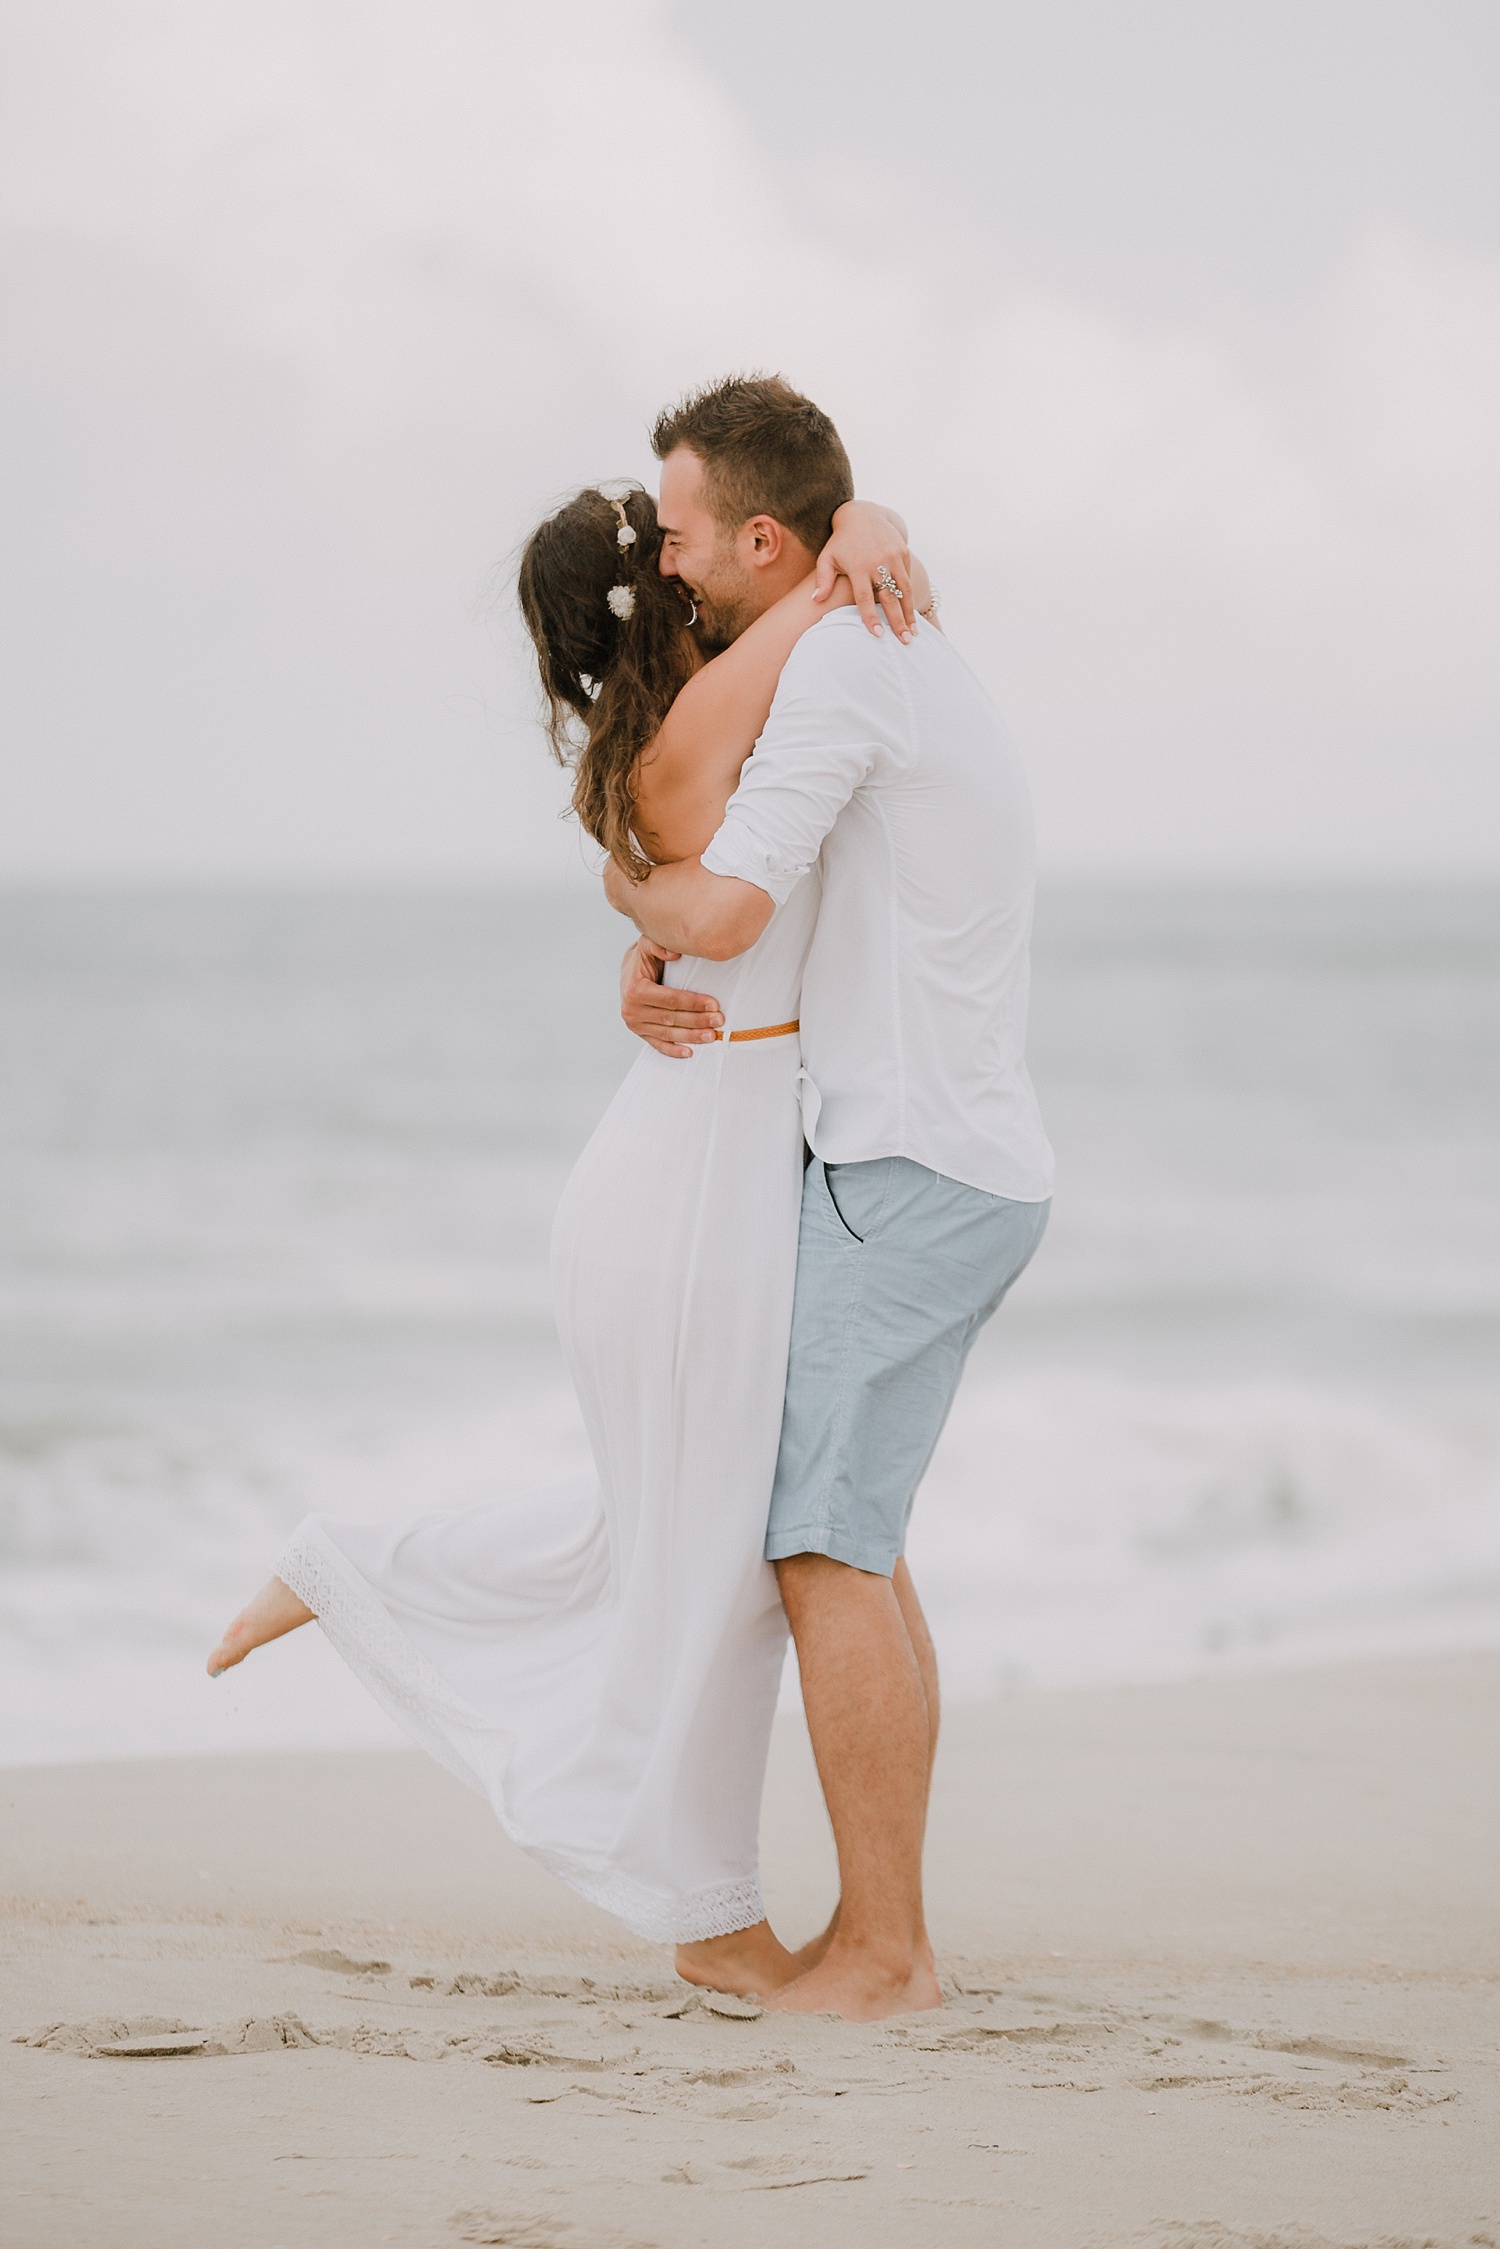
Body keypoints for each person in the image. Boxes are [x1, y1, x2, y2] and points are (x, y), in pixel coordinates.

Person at [204, 387, 920, 1999]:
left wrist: (864, 526)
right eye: (669, 558)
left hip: (688, 1160)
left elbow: (689, 856)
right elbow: (799, 620)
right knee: (705, 1546)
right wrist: (860, 537)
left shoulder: (668, 738)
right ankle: (712, 1916)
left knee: (666, 1532)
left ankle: (355, 1568)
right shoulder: (702, 723)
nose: (696, 570)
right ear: (662, 599)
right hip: (690, 1186)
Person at [608, 377, 1054, 2021]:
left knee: (819, 1548)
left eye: (679, 539)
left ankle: (886, 1952)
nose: (665, 569)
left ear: (768, 539)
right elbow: (734, 909)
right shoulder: (871, 625)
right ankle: (884, 1935)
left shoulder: (849, 661)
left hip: (913, 1164)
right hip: (934, 1155)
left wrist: (622, 892)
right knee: (856, 1542)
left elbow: (721, 906)